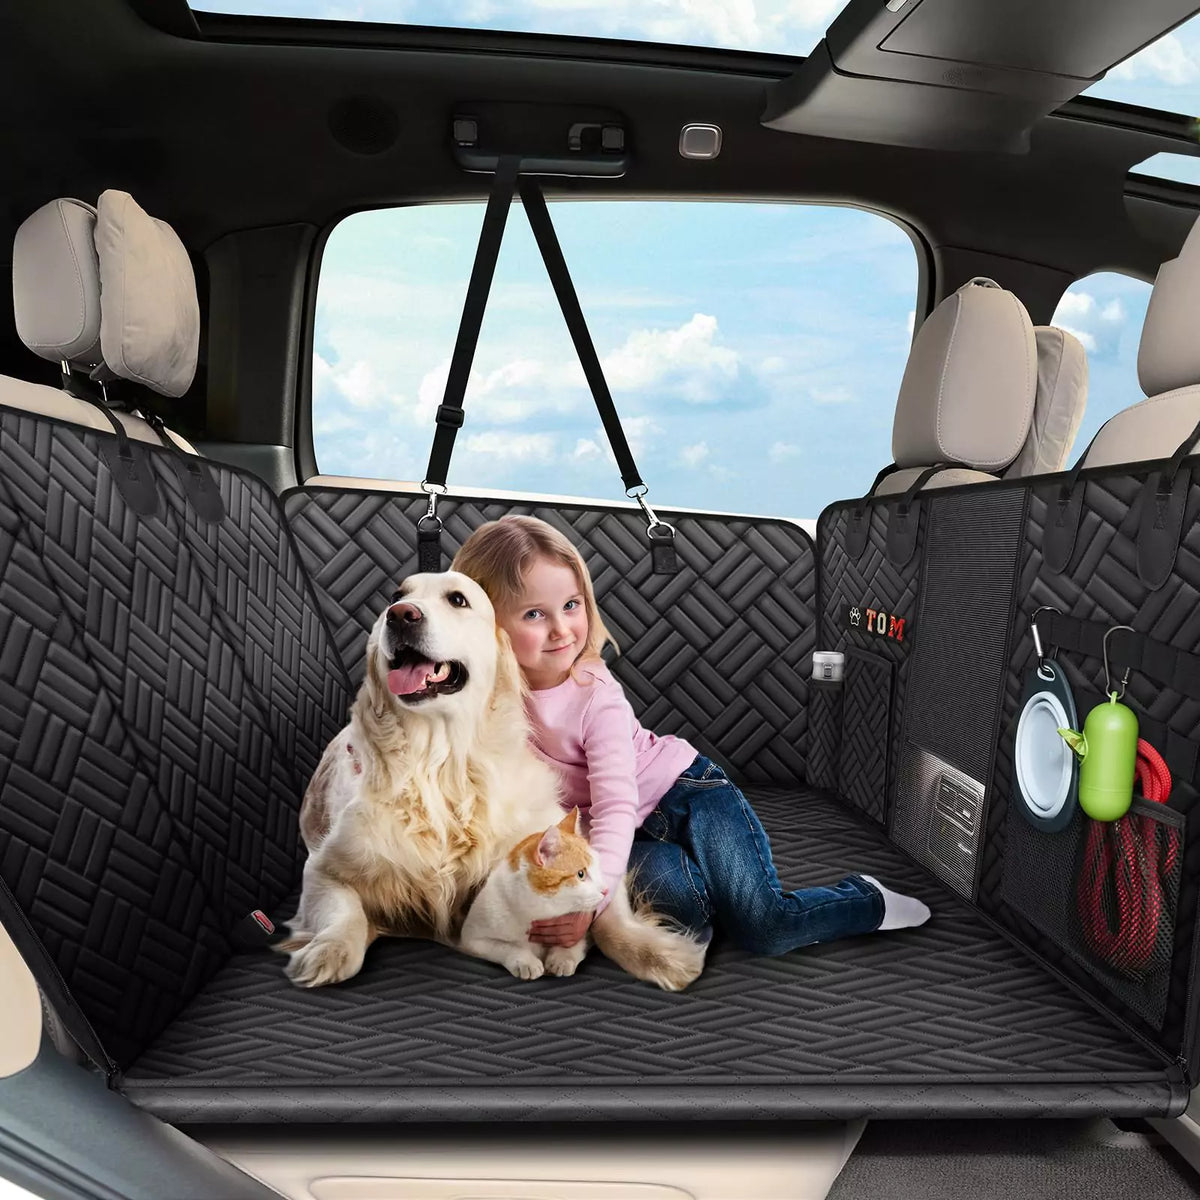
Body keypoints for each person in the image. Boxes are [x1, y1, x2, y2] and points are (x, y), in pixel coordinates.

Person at [451, 515, 930, 954]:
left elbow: (617, 802)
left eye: (572, 605)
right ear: (483, 624)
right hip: (626, 832)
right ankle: (707, 882)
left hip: (685, 793)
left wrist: (590, 907)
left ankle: (868, 900)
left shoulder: (594, 693)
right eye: (534, 614)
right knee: (685, 915)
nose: (562, 629)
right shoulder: (477, 695)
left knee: (763, 926)